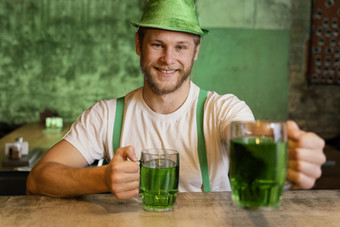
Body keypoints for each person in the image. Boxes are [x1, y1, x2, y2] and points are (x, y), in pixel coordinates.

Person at [26, 0, 326, 199]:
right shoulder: (105, 115)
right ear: (139, 45)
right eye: (157, 44)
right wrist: (102, 179)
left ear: (196, 52)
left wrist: (279, 149)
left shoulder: (222, 109)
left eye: (180, 47)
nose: (168, 59)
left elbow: (243, 132)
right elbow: (38, 179)